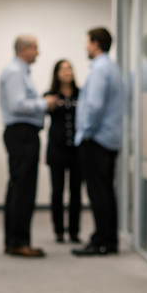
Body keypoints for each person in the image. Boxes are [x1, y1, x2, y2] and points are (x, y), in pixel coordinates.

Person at [0, 34, 56, 257]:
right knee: (23, 189)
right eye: (35, 48)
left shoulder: (20, 71)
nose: (38, 52)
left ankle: (14, 240)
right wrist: (46, 104)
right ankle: (19, 241)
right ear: (24, 49)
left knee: (18, 187)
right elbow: (17, 105)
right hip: (21, 133)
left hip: (21, 133)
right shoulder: (15, 72)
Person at [72, 27, 124, 256]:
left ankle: (102, 240)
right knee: (105, 191)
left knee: (98, 192)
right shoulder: (110, 68)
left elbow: (94, 106)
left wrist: (84, 132)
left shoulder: (100, 70)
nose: (85, 46)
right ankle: (107, 239)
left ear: (95, 44)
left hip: (97, 139)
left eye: (87, 42)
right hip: (108, 138)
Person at [44, 59, 81, 244]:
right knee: (57, 191)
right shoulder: (49, 96)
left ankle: (74, 231)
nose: (67, 72)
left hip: (76, 150)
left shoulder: (81, 94)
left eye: (69, 69)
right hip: (56, 149)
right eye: (63, 69)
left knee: (76, 192)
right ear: (57, 73)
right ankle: (59, 230)